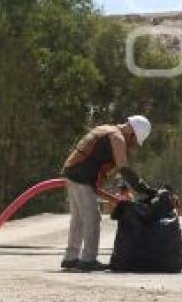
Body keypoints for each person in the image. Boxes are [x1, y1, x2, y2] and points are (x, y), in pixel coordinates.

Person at [60, 115, 156, 272]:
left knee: (78, 219)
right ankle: (88, 260)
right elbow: (123, 168)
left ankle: (70, 258)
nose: (132, 144)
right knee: (92, 218)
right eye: (134, 141)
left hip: (73, 172)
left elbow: (114, 167)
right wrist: (144, 189)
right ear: (132, 133)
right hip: (81, 178)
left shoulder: (106, 129)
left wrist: (125, 189)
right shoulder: (117, 137)